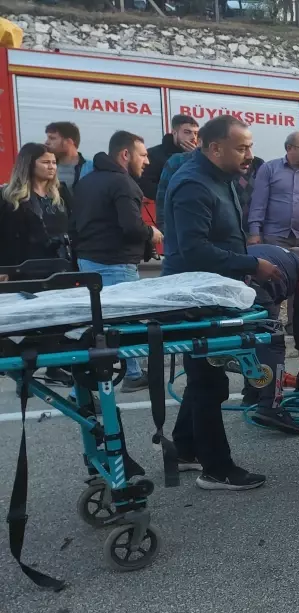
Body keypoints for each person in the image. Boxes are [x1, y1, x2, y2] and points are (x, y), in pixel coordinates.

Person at [161, 115, 281, 490]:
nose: (249, 154)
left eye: (249, 146)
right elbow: (194, 249)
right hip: (195, 296)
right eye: (241, 147)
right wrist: (250, 264)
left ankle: (184, 448)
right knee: (208, 382)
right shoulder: (192, 185)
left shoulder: (222, 178)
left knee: (203, 377)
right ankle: (216, 468)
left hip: (215, 291)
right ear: (215, 149)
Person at [70, 131, 161, 393]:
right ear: (125, 154)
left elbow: (74, 226)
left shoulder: (86, 181)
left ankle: (131, 373)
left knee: (106, 324)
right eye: (143, 155)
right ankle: (83, 392)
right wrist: (152, 234)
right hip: (116, 264)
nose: (146, 162)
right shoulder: (123, 184)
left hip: (89, 262)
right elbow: (131, 227)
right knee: (120, 323)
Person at [241, 244, 299, 434]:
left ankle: (252, 392)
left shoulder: (279, 254)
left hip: (234, 278)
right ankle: (270, 406)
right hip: (254, 284)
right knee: (272, 341)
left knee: (250, 339)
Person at [0, 143, 72, 269]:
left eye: (54, 162)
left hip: (61, 265)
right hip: (24, 267)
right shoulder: (8, 196)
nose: (51, 167)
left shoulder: (61, 192)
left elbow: (74, 227)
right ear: (29, 164)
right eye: (45, 162)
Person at [248, 132, 299, 249]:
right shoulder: (269, 169)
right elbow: (258, 203)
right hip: (275, 236)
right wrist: (254, 232)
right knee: (277, 267)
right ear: (289, 148)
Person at [139, 114, 199, 201]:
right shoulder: (154, 154)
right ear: (174, 133)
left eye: (196, 133)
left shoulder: (199, 155)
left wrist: (197, 158)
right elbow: (145, 184)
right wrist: (175, 195)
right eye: (187, 132)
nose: (193, 137)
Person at [44, 122, 92, 193]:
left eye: (52, 138)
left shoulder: (92, 168)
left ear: (69, 142)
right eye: (47, 138)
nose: (46, 142)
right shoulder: (43, 167)